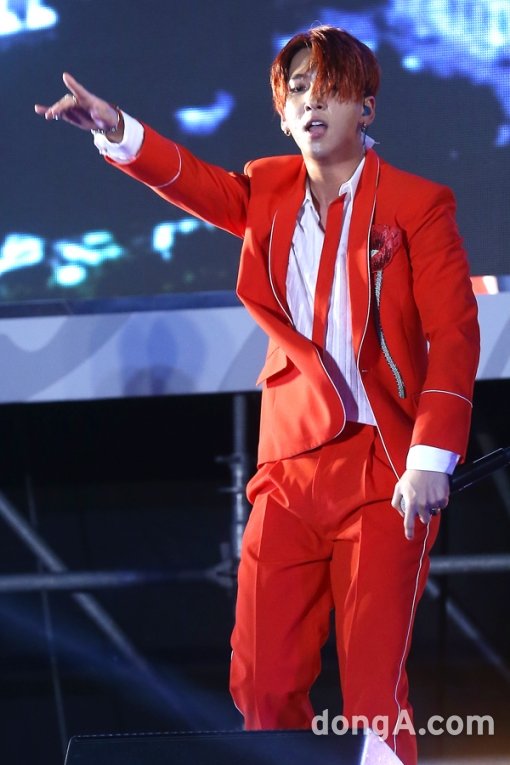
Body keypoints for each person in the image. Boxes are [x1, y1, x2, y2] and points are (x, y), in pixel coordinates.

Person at [35, 26, 480, 765]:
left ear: (367, 108)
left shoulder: (418, 204)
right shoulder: (267, 188)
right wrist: (116, 129)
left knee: (373, 690)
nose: (312, 103)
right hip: (288, 466)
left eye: (330, 88)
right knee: (263, 684)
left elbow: (454, 336)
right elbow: (192, 180)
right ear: (281, 114)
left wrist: (430, 456)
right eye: (298, 90)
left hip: (384, 470)